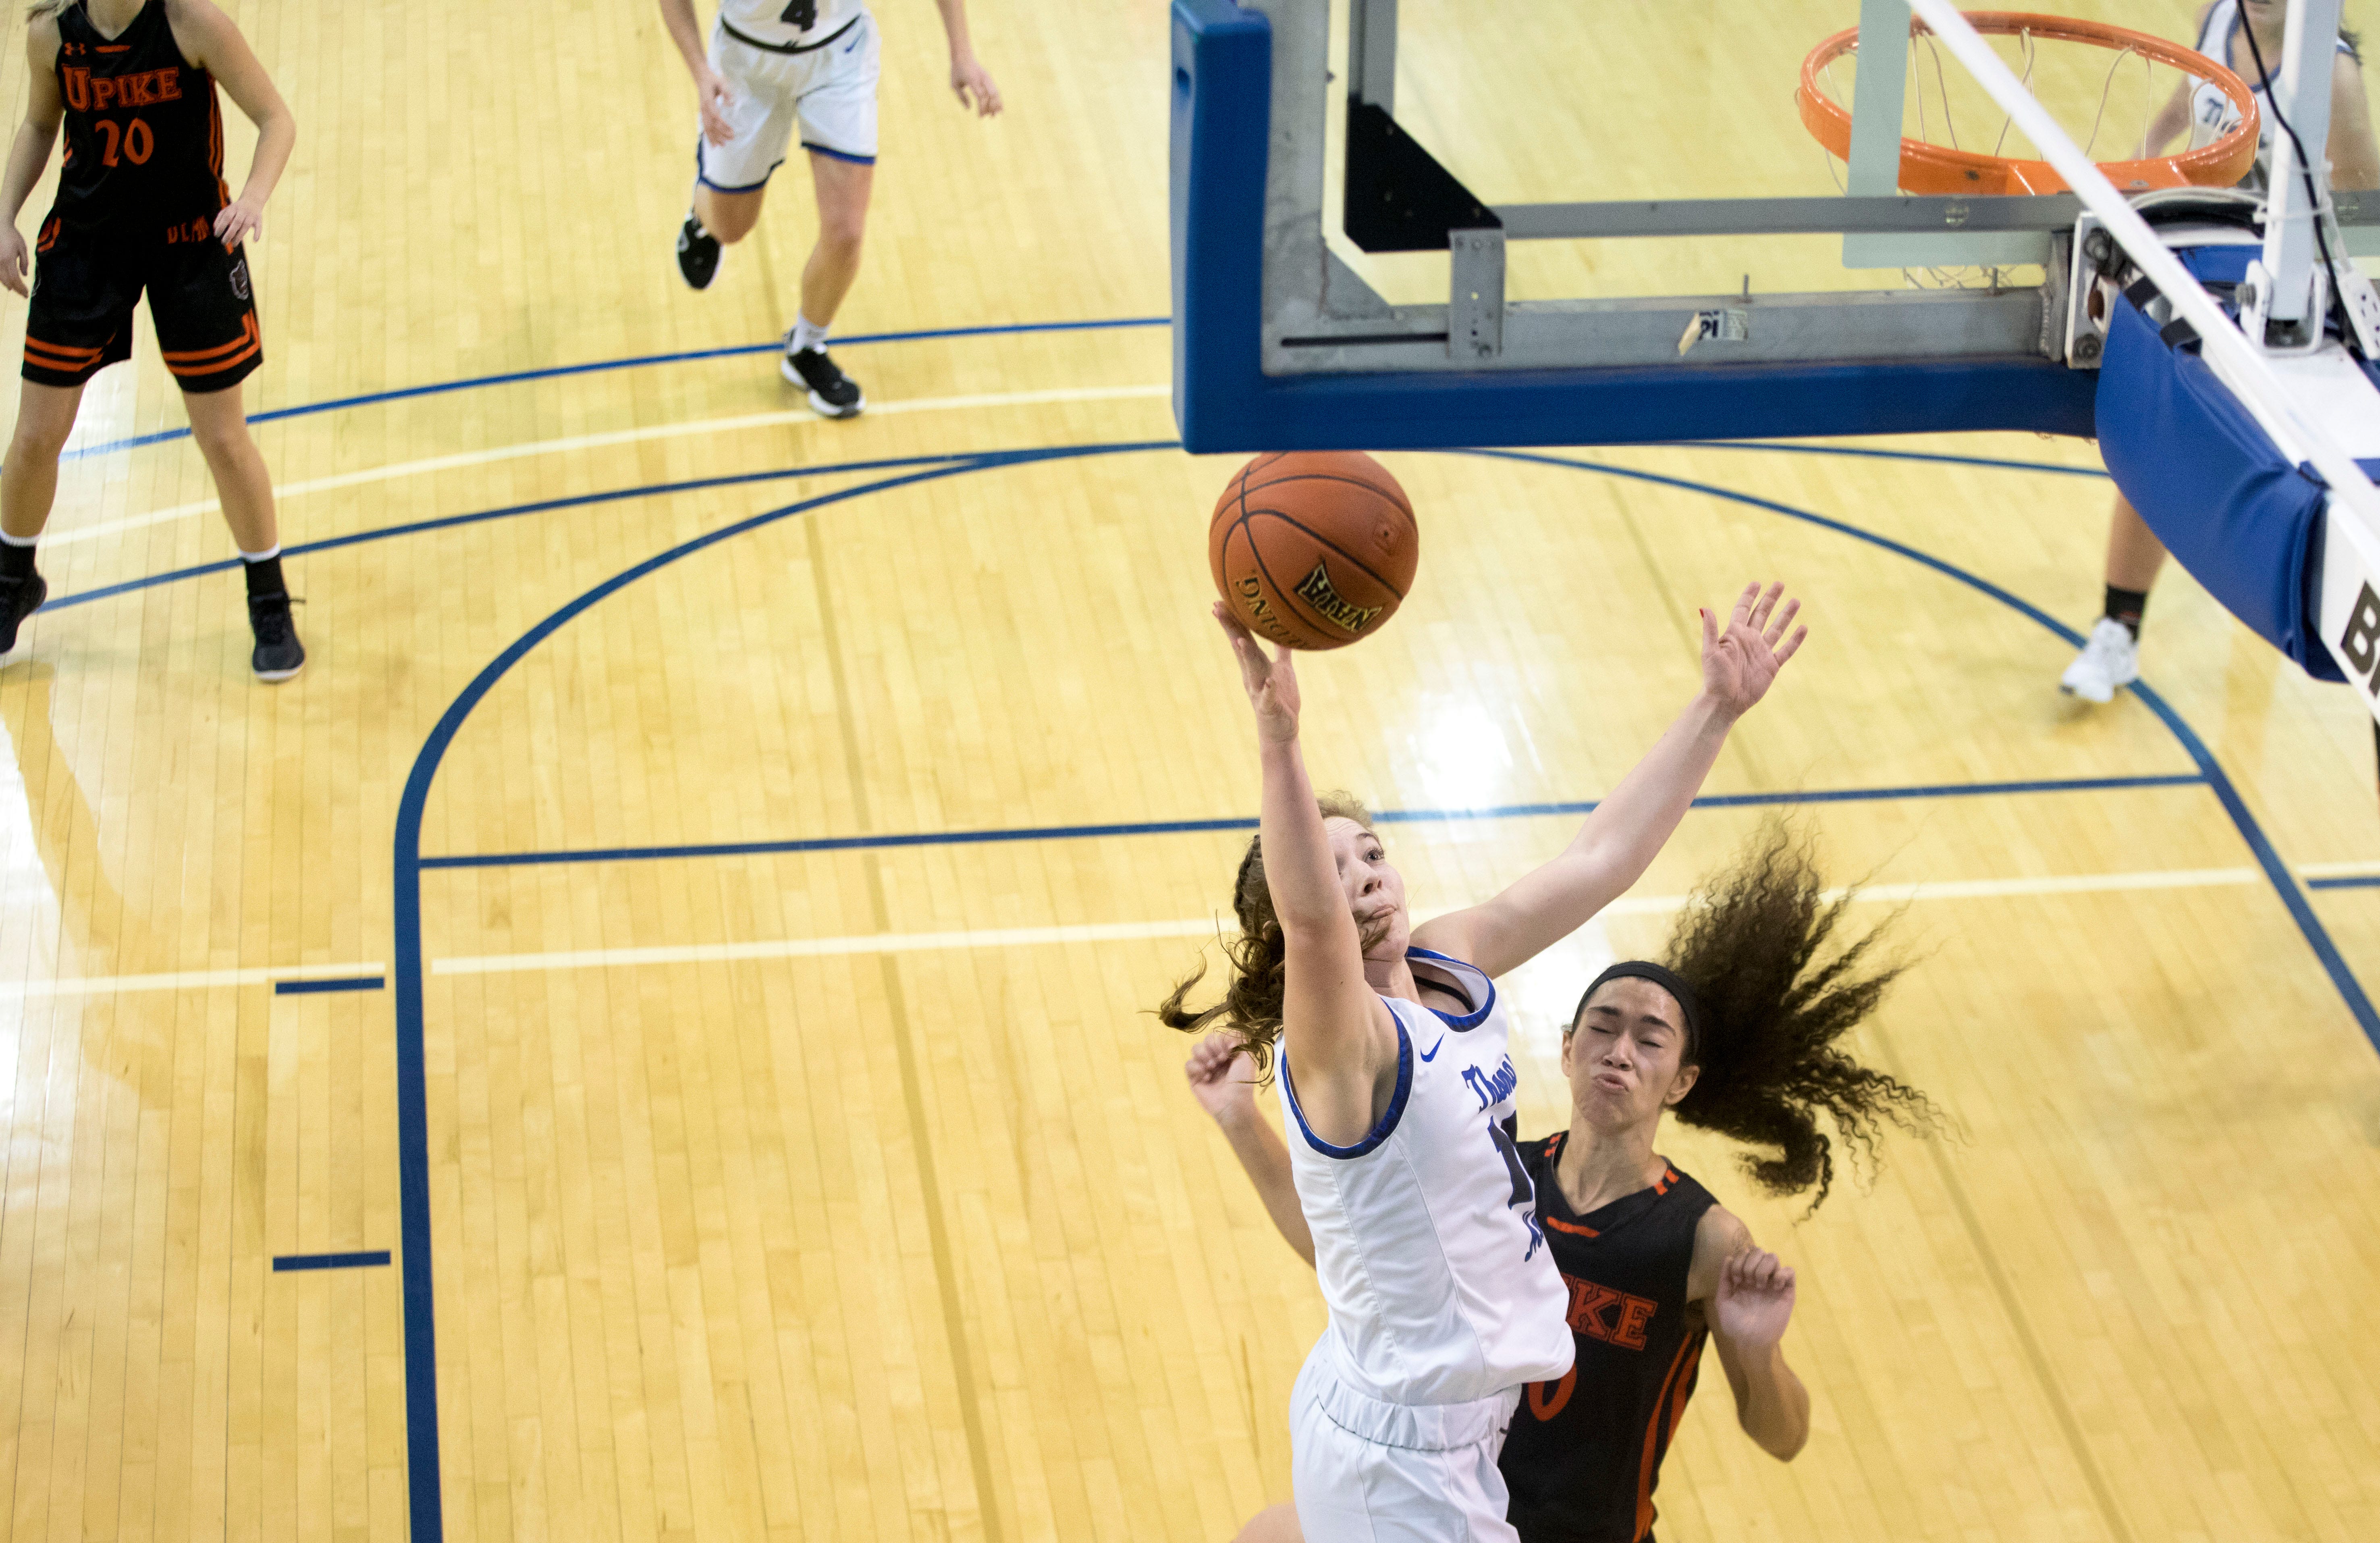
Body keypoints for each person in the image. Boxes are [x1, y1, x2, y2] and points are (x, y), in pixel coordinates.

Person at [1163, 582, 1807, 1542]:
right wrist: (1279, 742)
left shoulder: (1446, 959)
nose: (1363, 877)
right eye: (1333, 870)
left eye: (1370, 852)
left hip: (1445, 1414)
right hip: (1402, 1454)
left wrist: (1714, 709)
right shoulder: (1342, 1049)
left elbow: (1599, 857)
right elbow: (1311, 922)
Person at [1185, 821, 1944, 1543]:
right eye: (1603, 1027)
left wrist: (1755, 1351)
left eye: (1650, 1040)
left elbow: (1785, 1438)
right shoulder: (1501, 1177)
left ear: (1681, 1081)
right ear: (1565, 1049)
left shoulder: (1700, 1237)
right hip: (1447, 1499)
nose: (1620, 1052)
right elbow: (1343, 1250)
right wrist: (1241, 1121)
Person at [2062, 0, 2378, 702]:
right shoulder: (2221, 19)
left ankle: (2284, 605)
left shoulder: (2333, 78)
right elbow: (2192, 94)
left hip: (2280, 316)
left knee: (2249, 474)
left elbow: (2363, 214)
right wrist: (2149, 152)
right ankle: (2117, 631)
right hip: (2197, 278)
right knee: (2153, 445)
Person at [0, 0, 301, 679]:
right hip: (85, 247)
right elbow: (39, 124)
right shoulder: (52, 34)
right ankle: (12, 579)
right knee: (34, 437)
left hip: (190, 247)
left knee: (223, 439)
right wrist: (4, 215)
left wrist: (252, 197)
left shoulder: (194, 25)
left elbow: (276, 119)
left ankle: (270, 599)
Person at [658, 0, 1001, 419]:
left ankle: (807, 346)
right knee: (730, 227)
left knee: (847, 233)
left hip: (840, 57)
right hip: (746, 67)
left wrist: (962, 53)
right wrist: (700, 71)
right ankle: (703, 216)